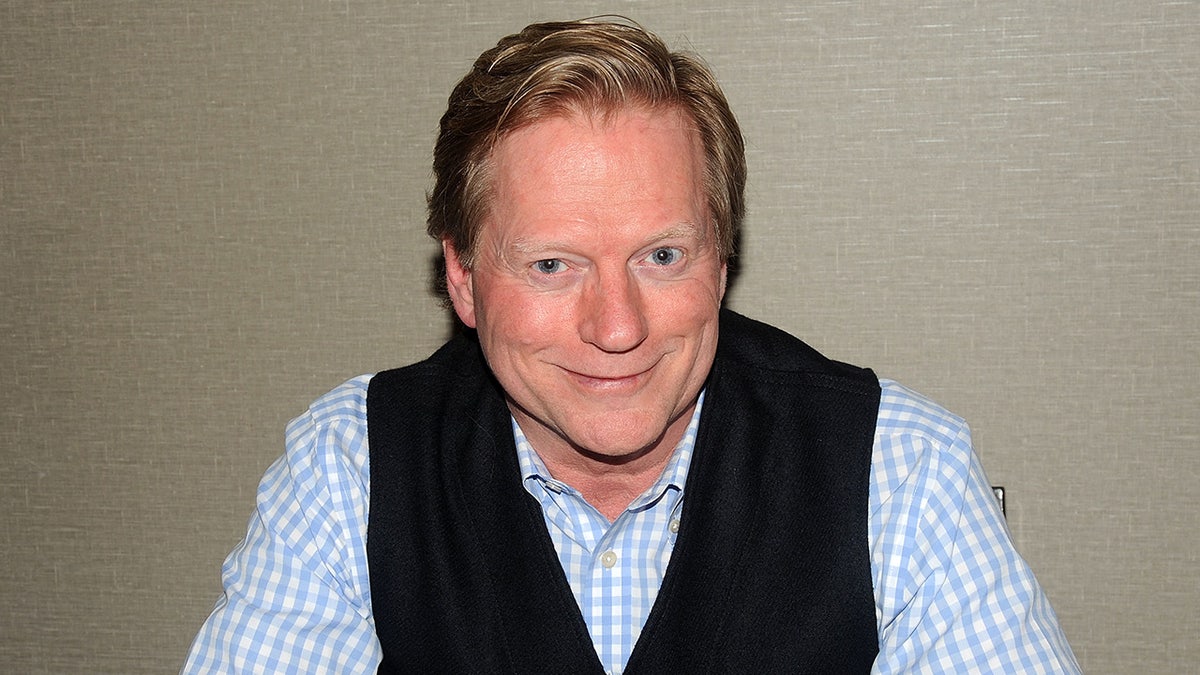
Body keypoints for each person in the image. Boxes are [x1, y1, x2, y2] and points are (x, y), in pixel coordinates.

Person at [183, 18, 1080, 674]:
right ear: (461, 276)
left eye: (661, 255)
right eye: (550, 264)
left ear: (721, 255)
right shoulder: (350, 470)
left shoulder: (901, 470)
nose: (618, 328)